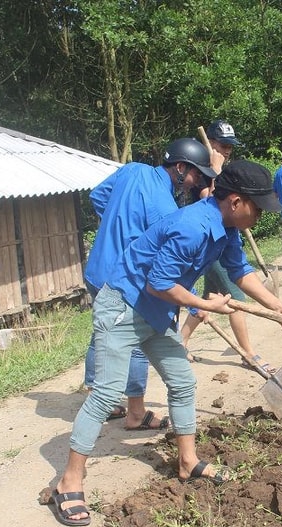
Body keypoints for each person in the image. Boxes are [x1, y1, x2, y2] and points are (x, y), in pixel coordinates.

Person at [50, 160, 282, 527]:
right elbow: (158, 284)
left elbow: (241, 273)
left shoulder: (226, 230)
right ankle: (68, 480)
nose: (261, 215)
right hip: (125, 308)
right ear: (234, 201)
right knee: (105, 393)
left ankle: (187, 461)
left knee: (182, 381)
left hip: (156, 313)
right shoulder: (192, 228)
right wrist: (204, 303)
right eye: (258, 207)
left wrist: (279, 307)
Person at [83, 138, 216, 430]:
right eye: (196, 175)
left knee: (103, 331)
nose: (195, 184)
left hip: (97, 269)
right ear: (180, 167)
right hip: (127, 280)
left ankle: (97, 395)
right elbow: (166, 270)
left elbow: (97, 197)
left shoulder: (132, 170)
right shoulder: (167, 209)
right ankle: (135, 412)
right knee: (138, 340)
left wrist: (116, 223)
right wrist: (194, 302)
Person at [185, 119, 274, 374]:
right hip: (208, 242)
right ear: (210, 144)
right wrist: (214, 171)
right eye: (222, 145)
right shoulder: (202, 172)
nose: (226, 151)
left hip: (223, 241)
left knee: (206, 299)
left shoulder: (224, 169)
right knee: (235, 297)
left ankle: (182, 341)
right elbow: (212, 204)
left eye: (230, 147)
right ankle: (248, 353)